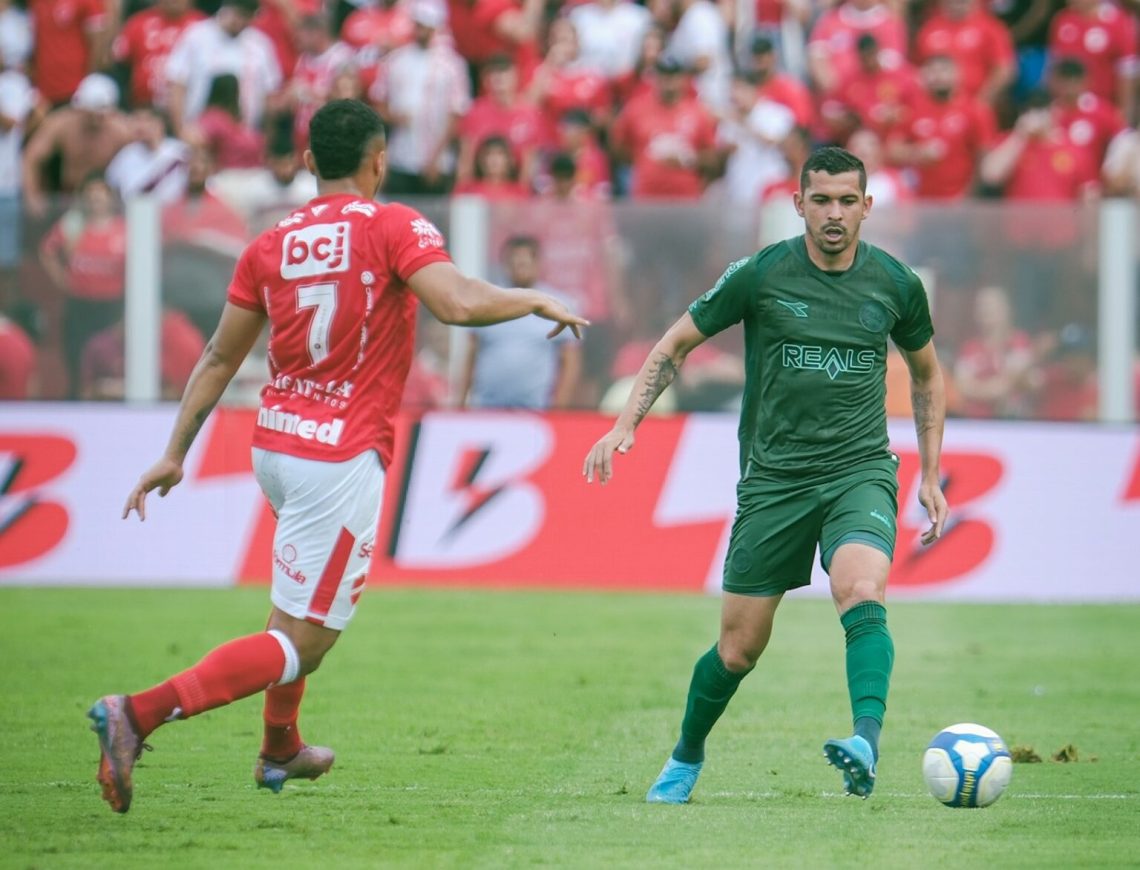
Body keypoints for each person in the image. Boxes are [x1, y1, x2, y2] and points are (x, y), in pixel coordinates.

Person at [89, 98, 586, 815]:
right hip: (340, 454)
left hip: (277, 445)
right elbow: (459, 304)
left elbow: (220, 354)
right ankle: (134, 714)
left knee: (290, 609)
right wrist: (533, 296)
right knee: (303, 643)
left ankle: (280, 745)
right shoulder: (393, 225)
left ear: (312, 162)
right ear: (379, 161)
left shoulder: (272, 241)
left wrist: (175, 453)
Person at [583, 146, 948, 804]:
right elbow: (673, 346)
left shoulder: (896, 284)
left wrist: (931, 472)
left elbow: (926, 375)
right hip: (773, 481)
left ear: (867, 207)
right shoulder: (760, 275)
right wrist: (626, 423)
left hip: (859, 469)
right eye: (821, 200)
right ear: (798, 203)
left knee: (862, 590)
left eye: (846, 201)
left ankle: (864, 738)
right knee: (737, 650)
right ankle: (687, 754)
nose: (834, 213)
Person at [458, 236, 582, 409]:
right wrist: (460, 403)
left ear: (537, 264)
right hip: (486, 411)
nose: (519, 268)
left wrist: (558, 409)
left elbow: (570, 363)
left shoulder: (559, 305)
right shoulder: (487, 302)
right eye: (514, 262)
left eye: (524, 263)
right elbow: (471, 356)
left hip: (536, 412)